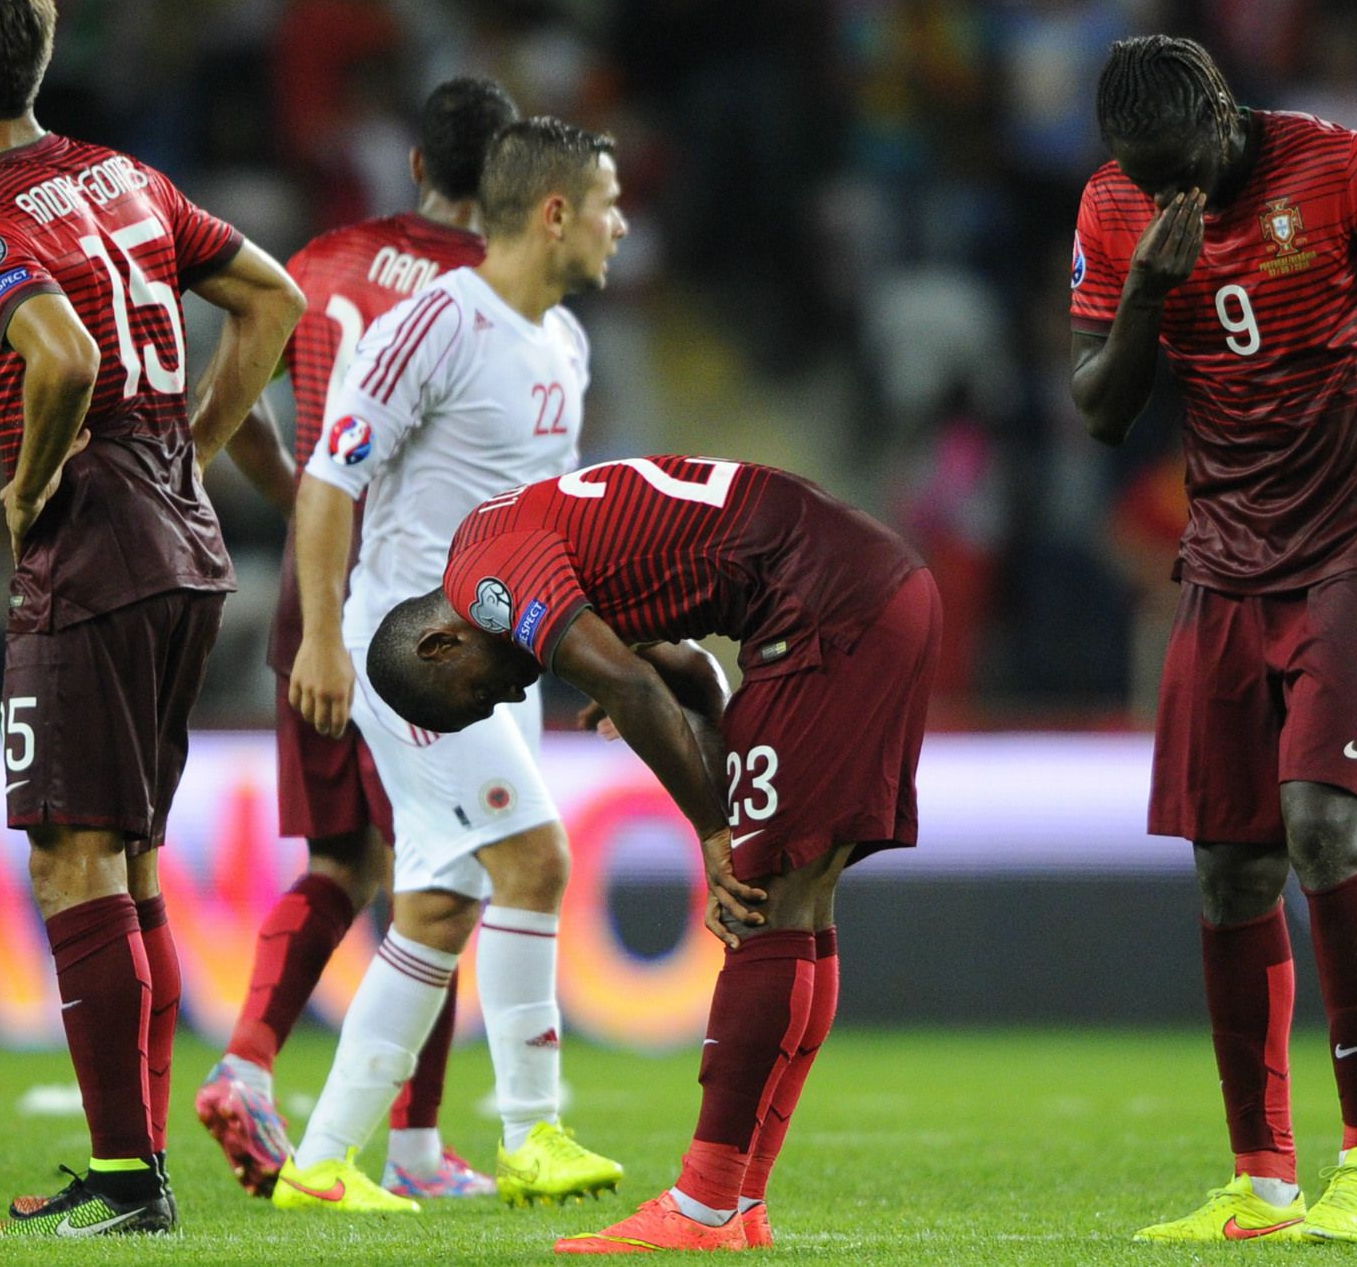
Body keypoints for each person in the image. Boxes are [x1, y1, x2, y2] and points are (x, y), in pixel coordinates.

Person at [1070, 35, 1357, 1247]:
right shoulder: (1115, 210)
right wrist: (1149, 291)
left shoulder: (1343, 170)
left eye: (1188, 172)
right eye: (1146, 177)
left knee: (1323, 824)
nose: (1176, 199)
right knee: (1229, 870)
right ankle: (1263, 1179)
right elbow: (1101, 412)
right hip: (1223, 564)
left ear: (1223, 113)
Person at [0, 0, 305, 1238]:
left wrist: (29, 492)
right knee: (126, 860)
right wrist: (192, 434)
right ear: (41, 58)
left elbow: (62, 357)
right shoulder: (128, 177)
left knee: (72, 859)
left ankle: (129, 1183)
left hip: (91, 551)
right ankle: (133, 1171)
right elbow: (274, 297)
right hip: (185, 542)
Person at [363, 455, 941, 1253]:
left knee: (765, 903)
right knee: (799, 903)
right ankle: (738, 1204)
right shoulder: (496, 538)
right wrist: (700, 762)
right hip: (869, 585)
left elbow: (633, 688)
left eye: (478, 696)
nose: (509, 697)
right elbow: (691, 675)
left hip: (823, 606)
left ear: (439, 644)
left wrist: (712, 832)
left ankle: (701, 1208)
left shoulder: (490, 586)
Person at [269, 117, 628, 1215]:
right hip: (409, 644)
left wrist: (602, 663)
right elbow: (331, 480)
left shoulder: (564, 342)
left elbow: (548, 525)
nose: (624, 226)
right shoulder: (436, 325)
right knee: (535, 862)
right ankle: (535, 1133)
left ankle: (323, 1164)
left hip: (487, 656)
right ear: (555, 211)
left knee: (440, 901)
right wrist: (325, 635)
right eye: (610, 204)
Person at [195, 76, 518, 1203]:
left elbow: (223, 401)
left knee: (346, 863)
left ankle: (246, 1062)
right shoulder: (492, 291)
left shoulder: (324, 258)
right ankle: (417, 1153)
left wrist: (299, 497)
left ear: (417, 166)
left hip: (311, 597)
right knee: (443, 868)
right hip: (423, 618)